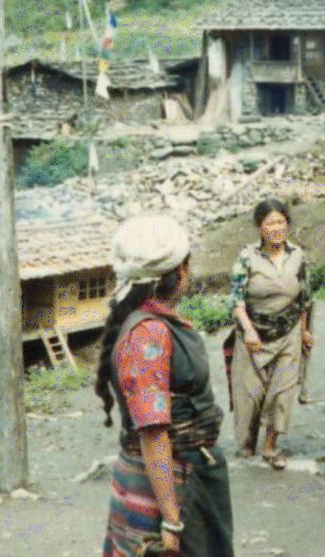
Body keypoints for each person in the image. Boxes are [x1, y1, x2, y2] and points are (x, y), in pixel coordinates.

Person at [98, 214, 233, 557]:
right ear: (182, 271)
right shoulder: (150, 334)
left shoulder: (155, 324)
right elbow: (154, 432)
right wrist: (172, 520)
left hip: (179, 475)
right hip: (171, 483)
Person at [225, 198, 314, 470]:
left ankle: (271, 445)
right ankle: (249, 439)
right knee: (250, 394)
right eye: (270, 222)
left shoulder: (298, 256)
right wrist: (249, 330)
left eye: (281, 222)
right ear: (259, 227)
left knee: (283, 393)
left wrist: (305, 330)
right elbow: (235, 300)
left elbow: (305, 299)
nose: (277, 228)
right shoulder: (247, 258)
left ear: (287, 224)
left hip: (288, 332)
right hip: (253, 335)